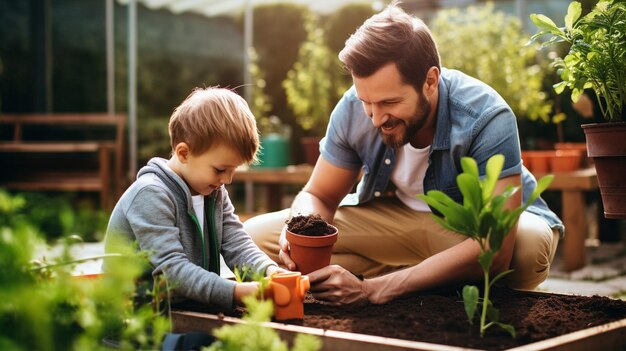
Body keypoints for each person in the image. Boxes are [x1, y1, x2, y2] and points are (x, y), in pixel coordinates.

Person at [244, 3, 563, 305]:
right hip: (395, 221)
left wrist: (371, 290)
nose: (375, 117)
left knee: (525, 252)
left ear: (430, 81)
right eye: (366, 101)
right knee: (256, 239)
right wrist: (300, 234)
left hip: (466, 231)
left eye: (389, 103)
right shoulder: (356, 108)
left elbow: (495, 250)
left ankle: (397, 281)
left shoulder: (486, 116)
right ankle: (424, 280)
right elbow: (320, 195)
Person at [104, 87, 282, 309]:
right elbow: (173, 271)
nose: (227, 180)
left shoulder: (213, 192)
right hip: (138, 320)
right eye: (219, 170)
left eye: (233, 170)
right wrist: (235, 292)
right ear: (184, 153)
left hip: (185, 309)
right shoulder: (150, 195)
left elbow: (237, 244)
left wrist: (271, 272)